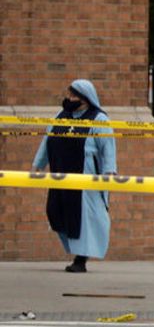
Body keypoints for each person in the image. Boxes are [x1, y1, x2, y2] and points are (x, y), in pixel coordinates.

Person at [32, 80, 116, 273]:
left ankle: (81, 258)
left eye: (74, 96)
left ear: (86, 99)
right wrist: (38, 165)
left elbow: (108, 147)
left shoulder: (99, 119)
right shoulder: (61, 116)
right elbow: (47, 141)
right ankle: (76, 250)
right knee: (55, 211)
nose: (70, 99)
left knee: (84, 217)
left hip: (86, 176)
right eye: (69, 95)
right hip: (60, 175)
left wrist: (109, 170)